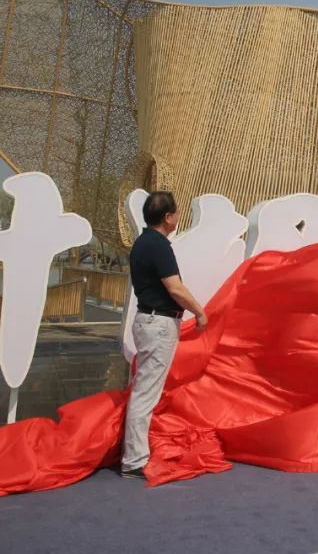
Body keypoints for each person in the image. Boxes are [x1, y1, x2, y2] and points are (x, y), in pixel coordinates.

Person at [121, 191, 209, 479]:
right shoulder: (158, 246)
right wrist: (199, 311)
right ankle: (134, 460)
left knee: (144, 388)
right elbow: (175, 288)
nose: (179, 217)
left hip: (148, 320)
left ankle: (135, 454)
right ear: (168, 217)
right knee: (146, 392)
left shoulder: (143, 243)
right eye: (177, 213)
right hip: (158, 323)